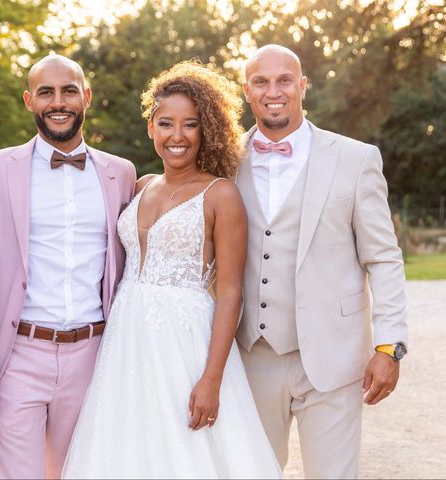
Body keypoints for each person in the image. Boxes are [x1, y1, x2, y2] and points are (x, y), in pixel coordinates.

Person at [62, 60, 282, 478]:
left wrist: (212, 378)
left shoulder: (222, 195)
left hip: (187, 346)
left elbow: (231, 291)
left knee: (187, 453)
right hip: (126, 344)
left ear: (207, 130)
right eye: (166, 123)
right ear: (151, 127)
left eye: (190, 125)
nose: (176, 136)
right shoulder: (141, 185)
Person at [235, 44, 408, 478]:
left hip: (335, 355)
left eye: (285, 80)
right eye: (261, 81)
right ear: (247, 90)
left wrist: (390, 346)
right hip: (251, 356)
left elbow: (384, 258)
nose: (274, 91)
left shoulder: (355, 159)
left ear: (302, 86)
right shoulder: (222, 161)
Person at [0, 54, 137, 479]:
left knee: (82, 471)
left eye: (68, 90)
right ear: (30, 100)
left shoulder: (120, 173)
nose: (58, 101)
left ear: (85, 96)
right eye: (46, 92)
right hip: (18, 353)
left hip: (93, 352)